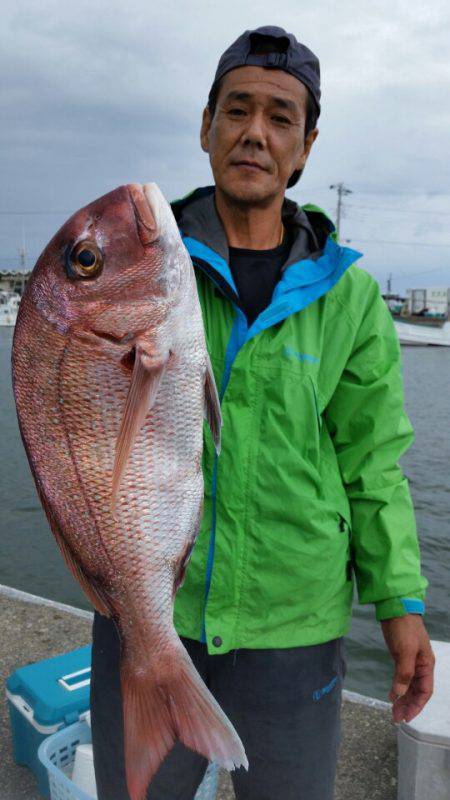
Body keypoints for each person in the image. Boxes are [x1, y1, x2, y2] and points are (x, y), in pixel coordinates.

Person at [90, 25, 435, 800]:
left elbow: (373, 461)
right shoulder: (141, 264)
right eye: (237, 110)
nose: (255, 132)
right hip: (150, 613)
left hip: (294, 630)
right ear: (205, 127)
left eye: (281, 117)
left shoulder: (349, 297)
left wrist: (400, 602)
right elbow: (80, 430)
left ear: (306, 146)